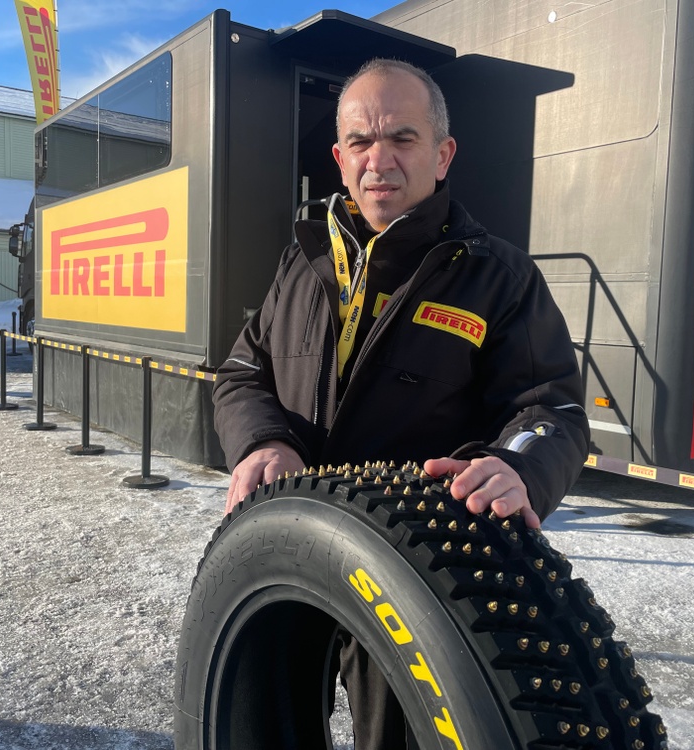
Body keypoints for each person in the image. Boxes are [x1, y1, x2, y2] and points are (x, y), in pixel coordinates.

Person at [212, 57, 590, 750]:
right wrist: (263, 440)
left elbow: (553, 412)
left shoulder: (497, 276)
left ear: (443, 155)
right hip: (287, 556)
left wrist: (518, 466)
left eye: (402, 138)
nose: (378, 160)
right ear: (338, 156)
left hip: (417, 575)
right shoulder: (302, 260)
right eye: (359, 142)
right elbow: (242, 370)